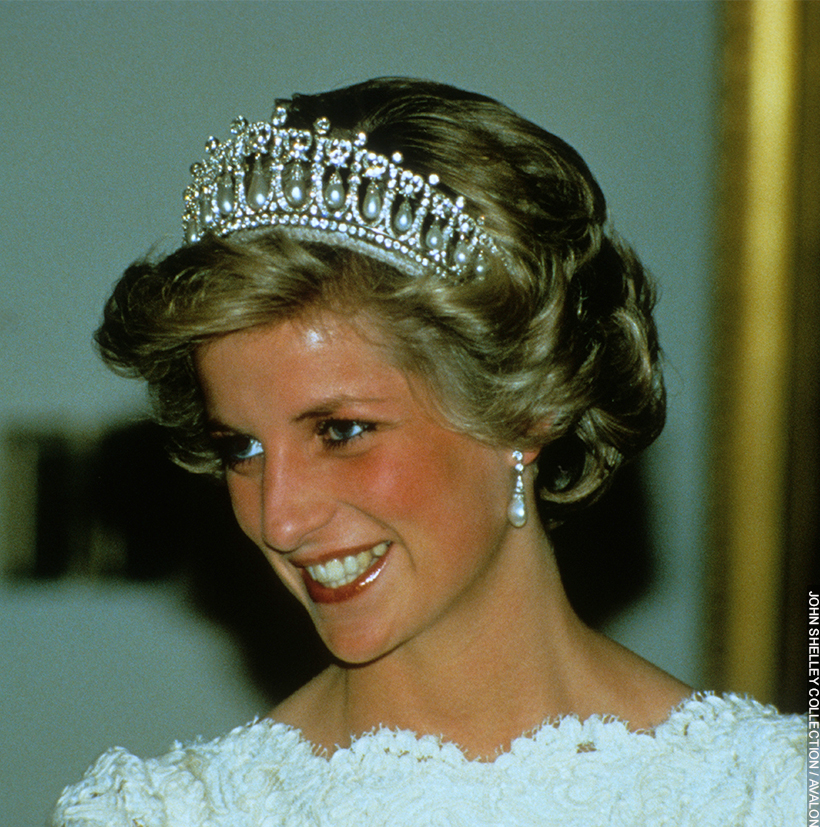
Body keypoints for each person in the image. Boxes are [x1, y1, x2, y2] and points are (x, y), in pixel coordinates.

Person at [52, 78, 805, 825]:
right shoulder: (162, 814)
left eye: (339, 431)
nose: (279, 519)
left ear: (524, 410)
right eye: (240, 446)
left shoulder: (774, 795)